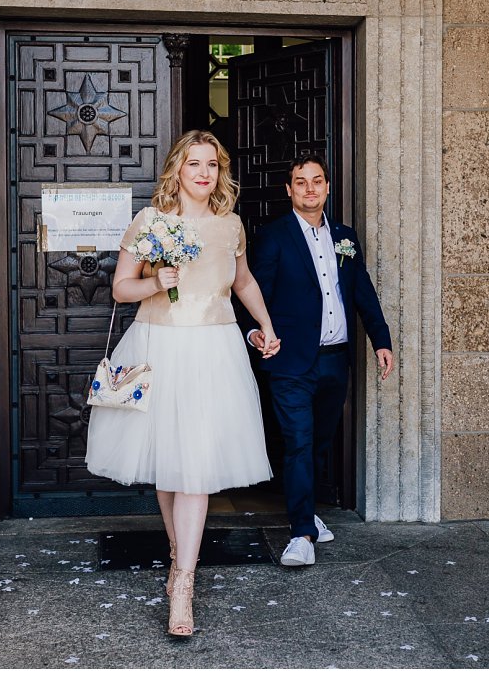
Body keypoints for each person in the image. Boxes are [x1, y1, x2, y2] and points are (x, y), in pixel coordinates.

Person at [85, 130, 281, 637]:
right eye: (194, 163)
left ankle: (184, 583)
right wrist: (157, 281)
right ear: (177, 169)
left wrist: (267, 324)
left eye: (212, 165)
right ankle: (178, 557)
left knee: (193, 468)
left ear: (220, 172)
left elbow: (242, 282)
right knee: (171, 469)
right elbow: (120, 287)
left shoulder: (230, 224)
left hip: (214, 349)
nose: (203, 173)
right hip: (159, 345)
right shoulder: (150, 221)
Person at [245, 152, 394, 567]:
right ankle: (301, 534)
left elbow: (362, 290)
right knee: (298, 443)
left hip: (334, 360)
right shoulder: (273, 236)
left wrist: (381, 340)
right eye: (301, 181)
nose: (310, 188)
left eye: (317, 180)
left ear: (327, 187)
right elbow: (255, 293)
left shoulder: (345, 236)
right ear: (288, 189)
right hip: (290, 361)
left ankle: (306, 510)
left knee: (320, 443)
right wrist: (256, 333)